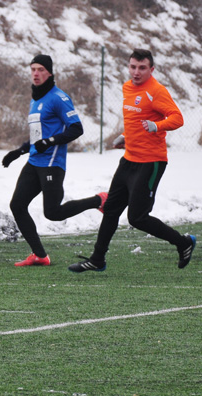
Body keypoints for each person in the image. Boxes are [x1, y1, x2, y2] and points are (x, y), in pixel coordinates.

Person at [69, 49, 196, 272]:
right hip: (128, 160)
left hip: (151, 162)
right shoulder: (127, 88)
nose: (136, 72)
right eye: (133, 67)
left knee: (137, 218)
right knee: (110, 210)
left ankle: (183, 242)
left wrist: (158, 126)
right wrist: (125, 137)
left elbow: (177, 118)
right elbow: (137, 120)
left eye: (142, 68)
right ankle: (97, 259)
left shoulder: (156, 91)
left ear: (151, 69)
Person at [2, 54, 107, 267]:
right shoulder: (35, 99)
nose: (36, 73)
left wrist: (50, 141)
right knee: (17, 205)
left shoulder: (58, 97)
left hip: (52, 164)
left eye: (40, 69)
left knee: (53, 213)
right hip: (34, 162)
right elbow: (37, 137)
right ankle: (39, 255)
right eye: (33, 69)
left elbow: (76, 128)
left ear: (49, 72)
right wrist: (20, 151)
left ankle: (99, 200)